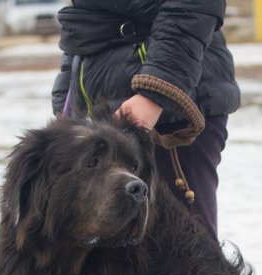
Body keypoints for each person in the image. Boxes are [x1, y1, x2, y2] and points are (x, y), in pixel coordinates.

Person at [52, 0, 240, 240]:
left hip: (167, 117)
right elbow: (84, 20)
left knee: (182, 260)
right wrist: (65, 104)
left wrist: (155, 95)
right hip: (101, 119)